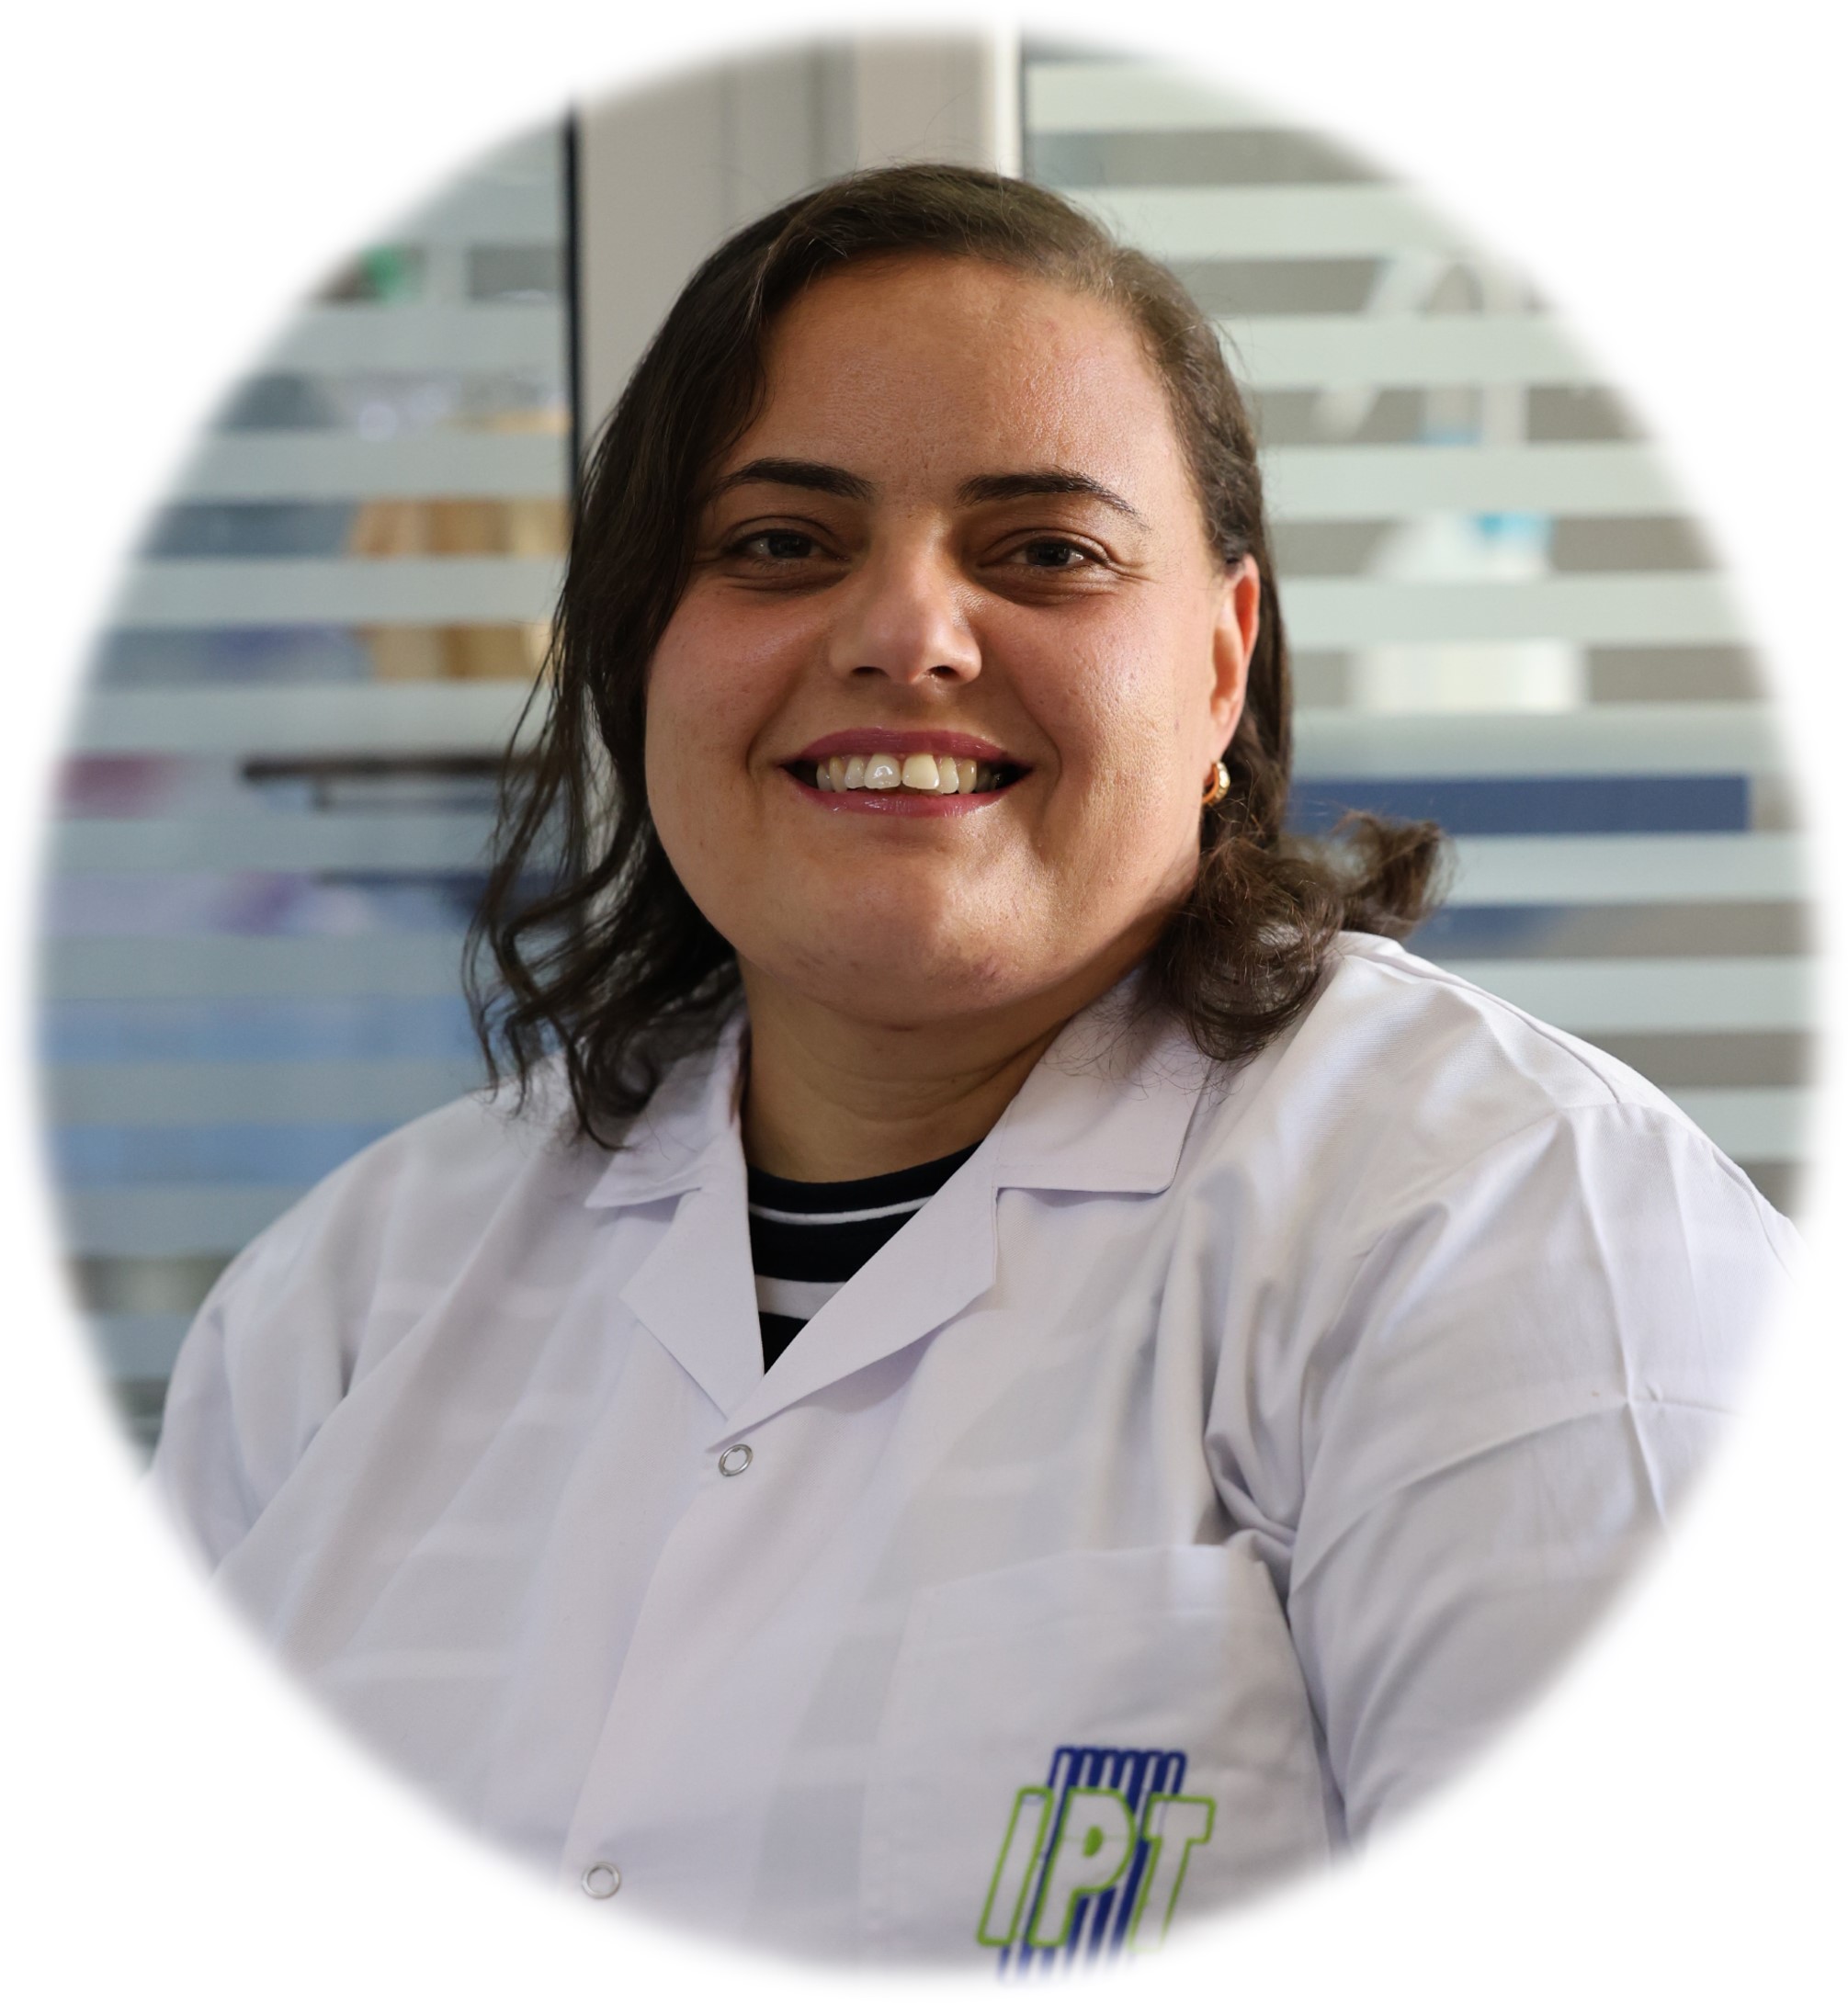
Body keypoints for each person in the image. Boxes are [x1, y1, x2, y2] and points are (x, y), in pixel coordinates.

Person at [151, 164, 1795, 1968]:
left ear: (1223, 662)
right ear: (644, 656)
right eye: (779, 545)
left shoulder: (1517, 1228)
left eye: (1045, 552)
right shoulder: (345, 1302)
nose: (904, 633)